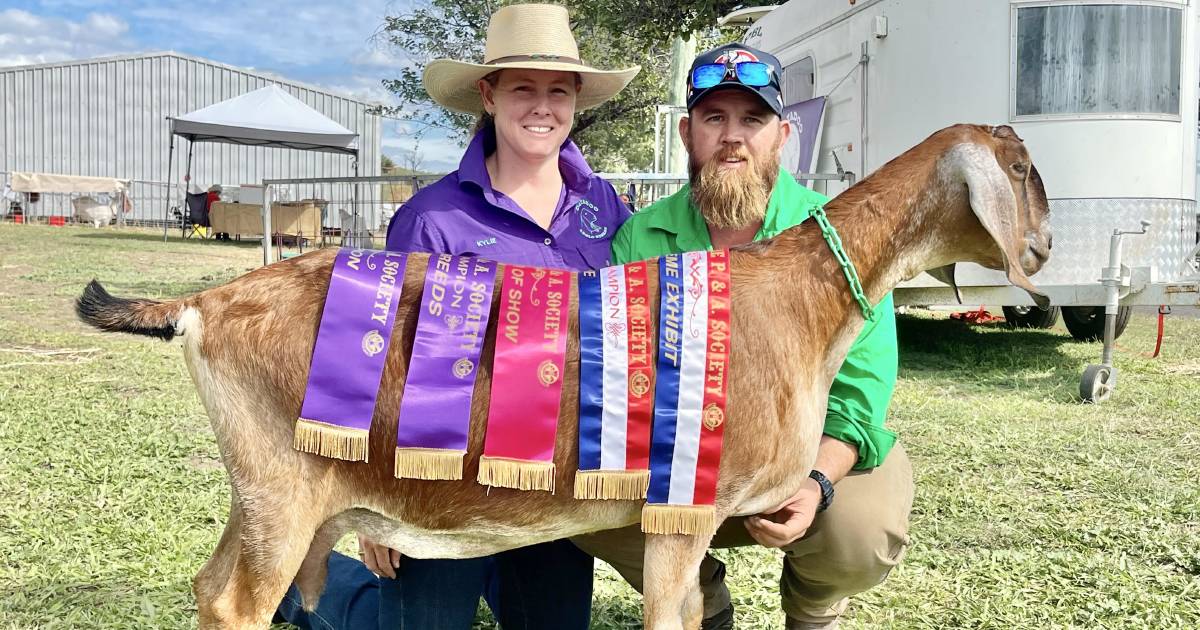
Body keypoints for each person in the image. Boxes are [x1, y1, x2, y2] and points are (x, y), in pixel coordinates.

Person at [273, 4, 639, 629]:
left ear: (576, 99)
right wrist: (372, 498)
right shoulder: (430, 219)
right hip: (440, 478)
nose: (542, 107)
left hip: (556, 485)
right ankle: (312, 596)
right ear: (489, 95)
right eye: (523, 88)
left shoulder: (608, 208)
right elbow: (382, 363)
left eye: (558, 90)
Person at [571, 43, 914, 630]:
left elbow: (861, 392)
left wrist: (816, 484)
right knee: (587, 502)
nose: (733, 136)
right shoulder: (639, 241)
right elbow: (621, 383)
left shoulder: (835, 240)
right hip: (679, 467)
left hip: (802, 462)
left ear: (782, 135)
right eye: (714, 118)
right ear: (687, 133)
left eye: (752, 119)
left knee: (863, 529)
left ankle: (814, 609)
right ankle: (699, 603)